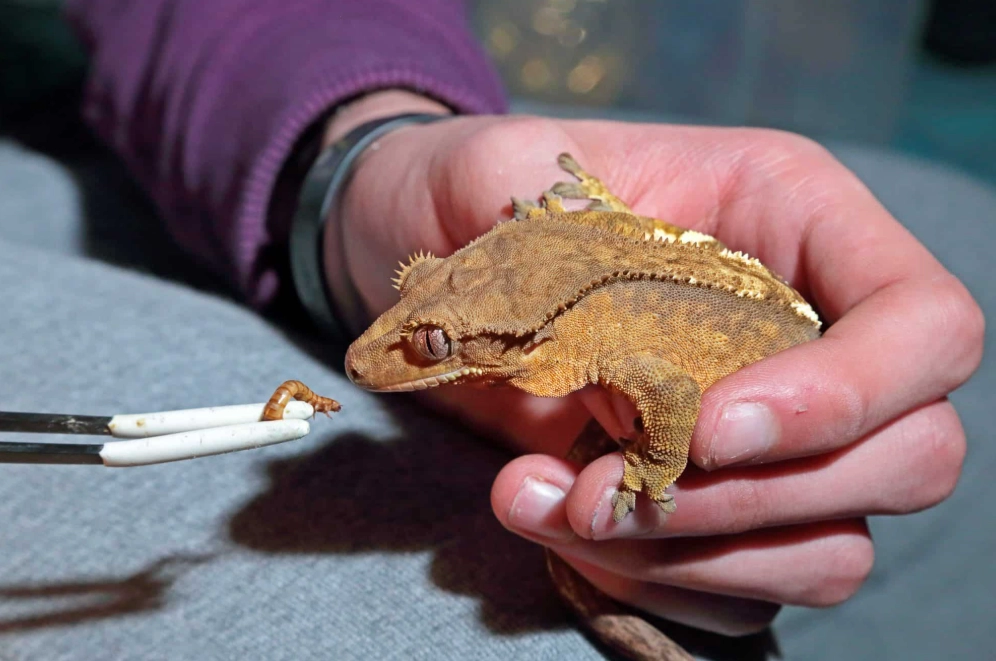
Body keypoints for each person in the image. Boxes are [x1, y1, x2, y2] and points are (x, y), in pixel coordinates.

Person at [62, 0, 983, 647]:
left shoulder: (585, 327)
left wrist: (358, 170)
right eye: (415, 298)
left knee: (968, 240)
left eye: (428, 335)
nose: (376, 351)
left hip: (721, 352)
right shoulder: (553, 306)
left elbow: (662, 383)